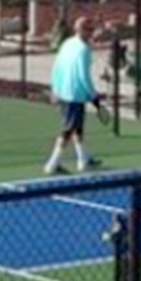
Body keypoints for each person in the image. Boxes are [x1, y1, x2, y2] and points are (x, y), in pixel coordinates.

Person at [44, 14, 101, 175]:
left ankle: (83, 159)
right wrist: (93, 95)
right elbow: (84, 75)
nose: (92, 32)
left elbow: (57, 66)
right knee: (68, 129)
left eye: (92, 29)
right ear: (81, 30)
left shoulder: (67, 43)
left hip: (63, 92)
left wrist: (55, 88)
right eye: (89, 29)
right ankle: (52, 164)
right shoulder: (84, 50)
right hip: (74, 95)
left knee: (77, 128)